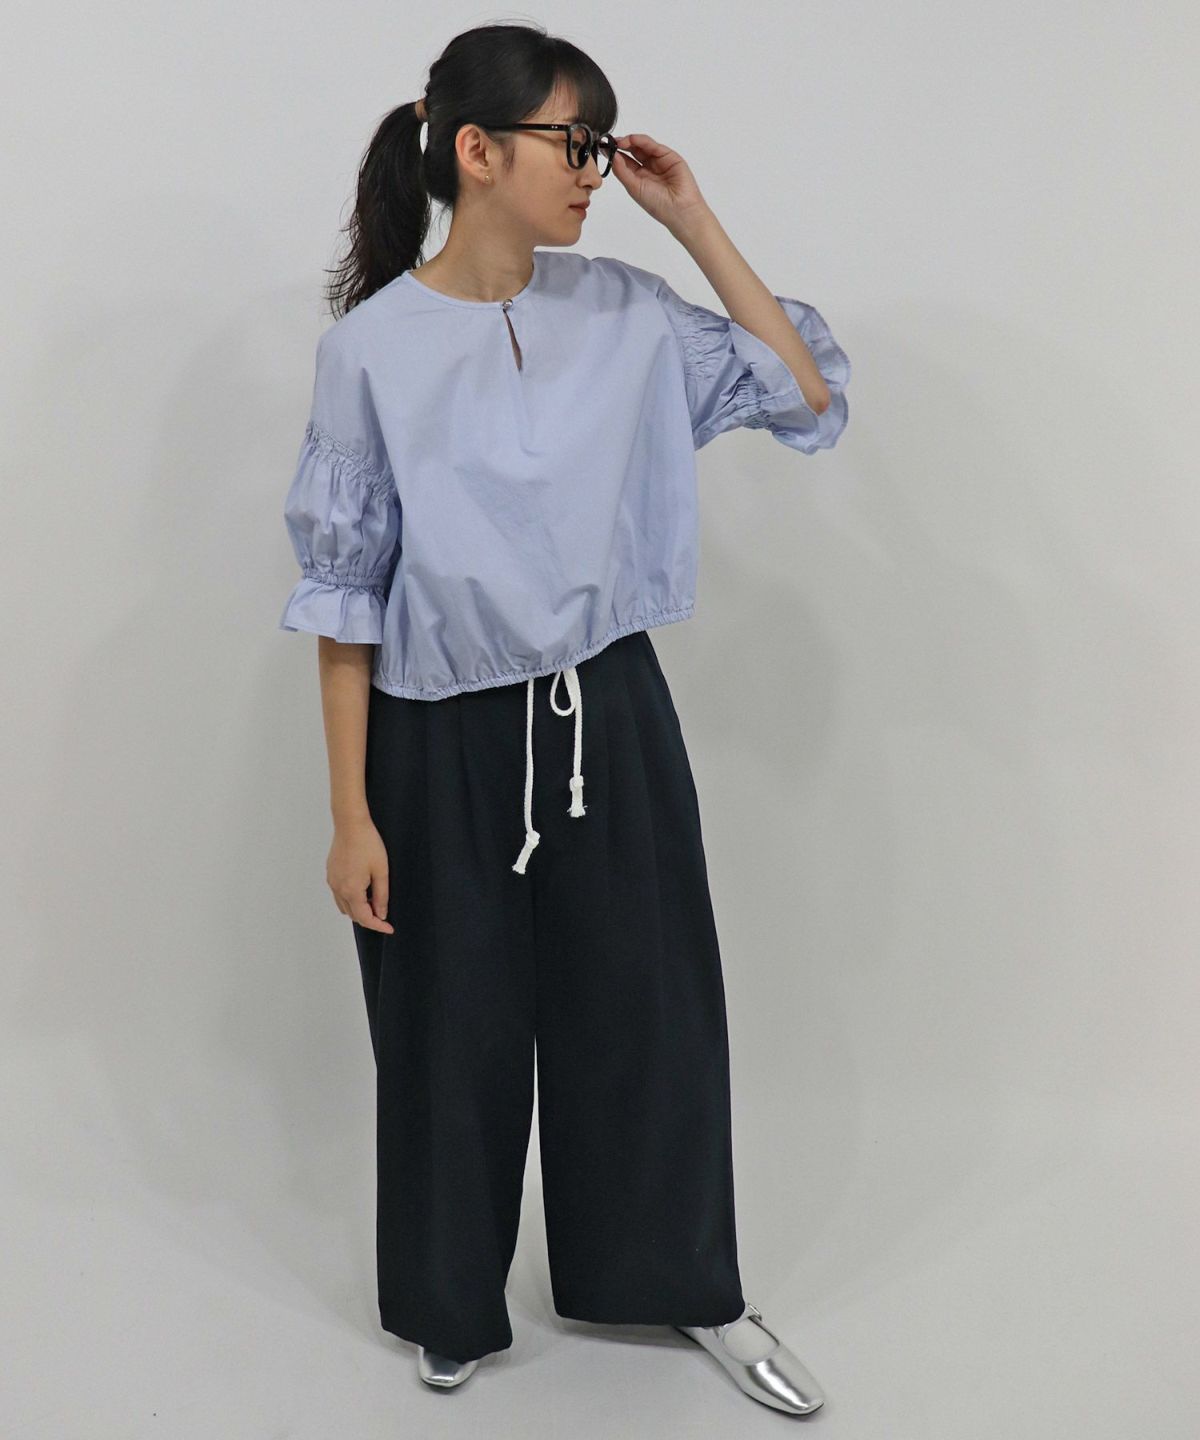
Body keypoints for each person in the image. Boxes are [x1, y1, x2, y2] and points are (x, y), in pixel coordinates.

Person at [278, 21, 850, 1414]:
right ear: (477, 152)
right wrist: (352, 816)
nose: (594, 167)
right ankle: (448, 1303)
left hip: (610, 712)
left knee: (650, 1011)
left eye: (601, 141)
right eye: (572, 141)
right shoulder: (372, 353)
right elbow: (346, 599)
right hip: (434, 735)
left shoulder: (625, 312)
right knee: (447, 1029)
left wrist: (691, 218)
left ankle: (682, 1283)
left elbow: (804, 395)